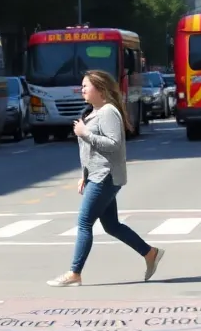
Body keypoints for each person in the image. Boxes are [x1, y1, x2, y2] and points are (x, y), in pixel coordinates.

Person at [47, 69, 164, 287]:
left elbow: (114, 144)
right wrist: (85, 175)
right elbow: (89, 152)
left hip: (106, 176)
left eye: (86, 85)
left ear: (100, 89)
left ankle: (74, 272)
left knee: (84, 222)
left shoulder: (108, 112)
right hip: (97, 175)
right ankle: (150, 253)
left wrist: (85, 133)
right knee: (111, 225)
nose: (82, 89)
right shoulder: (93, 112)